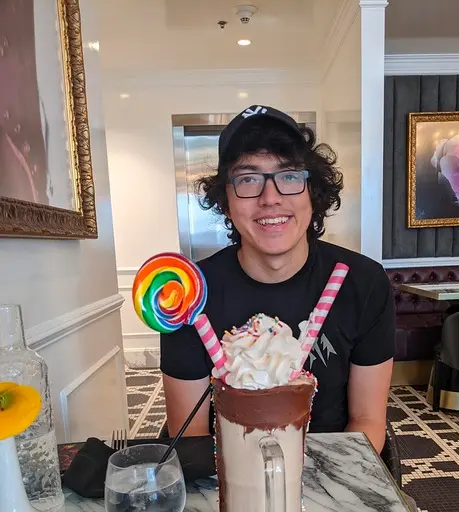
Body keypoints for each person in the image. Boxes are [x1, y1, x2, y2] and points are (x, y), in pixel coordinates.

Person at [160, 105, 395, 454]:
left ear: (312, 192)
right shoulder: (188, 296)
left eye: (289, 176)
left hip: (330, 468)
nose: (270, 198)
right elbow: (191, 436)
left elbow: (367, 420)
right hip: (225, 468)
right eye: (248, 179)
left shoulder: (363, 283)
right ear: (226, 200)